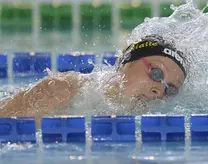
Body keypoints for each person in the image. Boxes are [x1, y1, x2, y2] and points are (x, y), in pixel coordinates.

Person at [0, 35, 186, 121]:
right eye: (156, 74)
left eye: (170, 90)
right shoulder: (62, 90)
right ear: (125, 64)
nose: (158, 90)